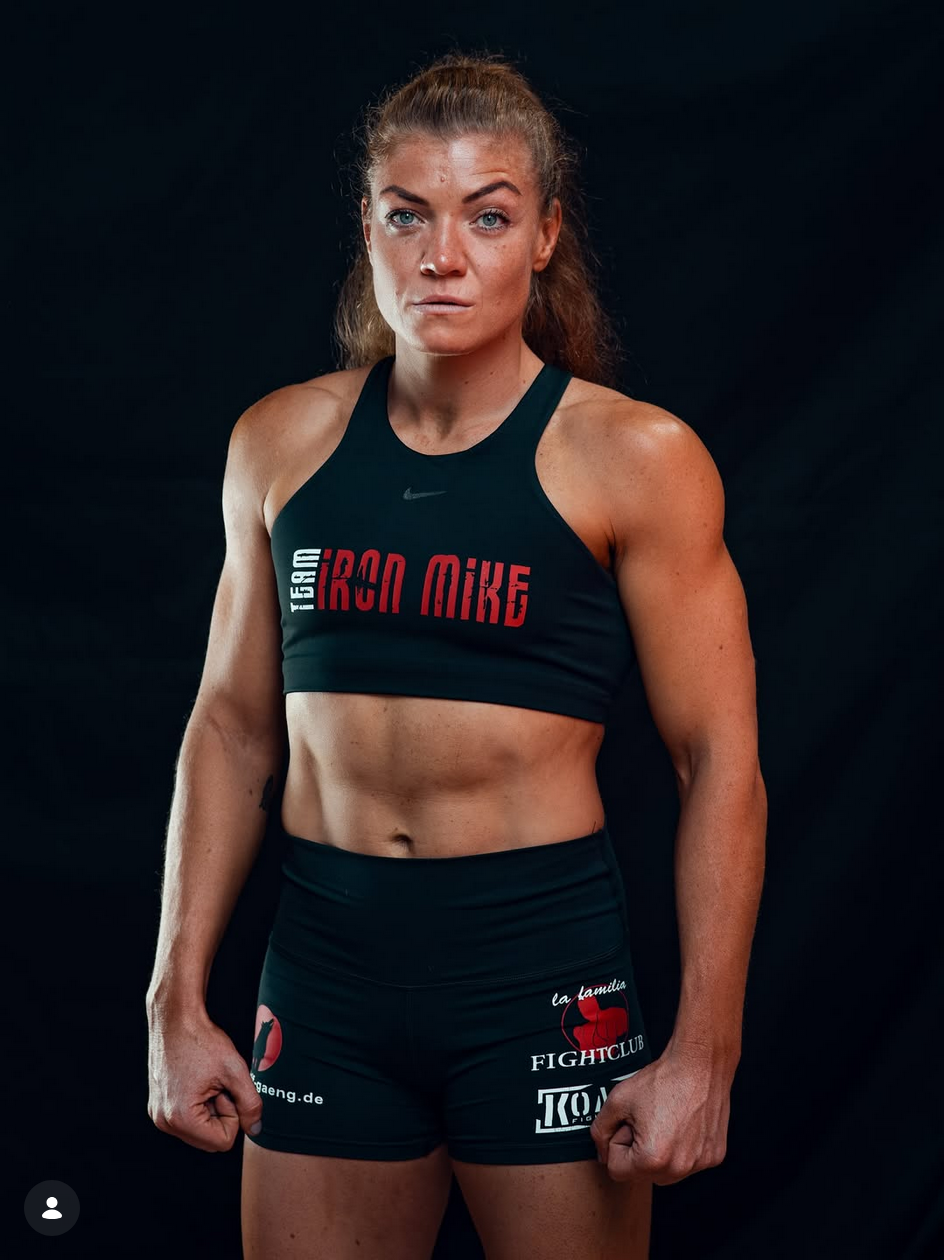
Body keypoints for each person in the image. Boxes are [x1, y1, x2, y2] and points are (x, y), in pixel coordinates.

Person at [146, 50, 767, 1260]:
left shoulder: (632, 458)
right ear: (366, 228)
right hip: (324, 969)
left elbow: (717, 763)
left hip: (537, 971)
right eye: (407, 215)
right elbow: (229, 728)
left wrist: (706, 1049)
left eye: (486, 217)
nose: (442, 256)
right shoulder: (279, 442)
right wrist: (173, 997)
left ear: (542, 236)